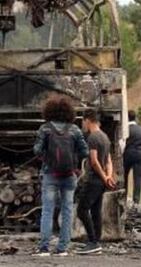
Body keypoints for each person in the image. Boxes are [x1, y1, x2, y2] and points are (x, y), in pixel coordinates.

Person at [33, 95, 88, 257]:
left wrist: (46, 155)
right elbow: (84, 151)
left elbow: (36, 150)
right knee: (67, 210)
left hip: (50, 174)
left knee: (48, 210)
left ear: (48, 111)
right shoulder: (75, 129)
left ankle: (44, 248)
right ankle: (62, 248)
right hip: (70, 175)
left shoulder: (45, 129)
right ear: (69, 112)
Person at [75, 109, 116, 255]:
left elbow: (94, 161)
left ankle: (92, 241)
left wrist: (104, 177)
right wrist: (108, 177)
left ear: (88, 120)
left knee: (81, 210)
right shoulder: (105, 137)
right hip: (101, 182)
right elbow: (109, 160)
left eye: (83, 121)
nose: (83, 125)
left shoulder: (92, 138)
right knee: (95, 211)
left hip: (93, 179)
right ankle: (96, 242)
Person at [122, 110, 141, 209]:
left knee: (124, 176)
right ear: (135, 118)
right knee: (137, 177)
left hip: (127, 153)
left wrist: (122, 154)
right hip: (138, 153)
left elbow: (122, 144)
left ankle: (123, 198)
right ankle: (136, 200)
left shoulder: (124, 129)